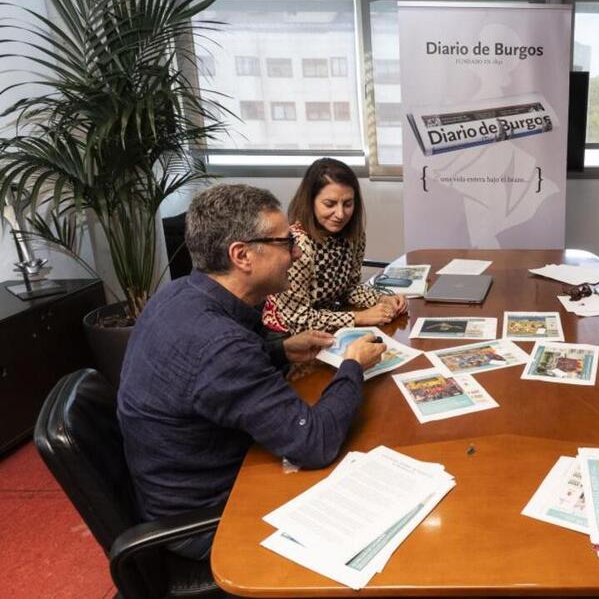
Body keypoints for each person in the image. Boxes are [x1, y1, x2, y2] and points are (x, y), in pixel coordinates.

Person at [118, 184, 386, 560]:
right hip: (211, 518)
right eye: (284, 243)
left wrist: (279, 349)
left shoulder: (178, 294)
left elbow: (209, 379)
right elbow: (315, 444)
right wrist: (352, 365)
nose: (295, 253)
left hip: (179, 484)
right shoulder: (220, 345)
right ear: (242, 255)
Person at [262, 158, 406, 335]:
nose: (340, 214)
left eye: (348, 204)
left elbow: (349, 289)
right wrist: (357, 317)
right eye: (329, 204)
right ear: (310, 201)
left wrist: (382, 299)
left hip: (330, 326)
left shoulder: (355, 237)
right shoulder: (297, 247)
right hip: (287, 336)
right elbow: (297, 320)